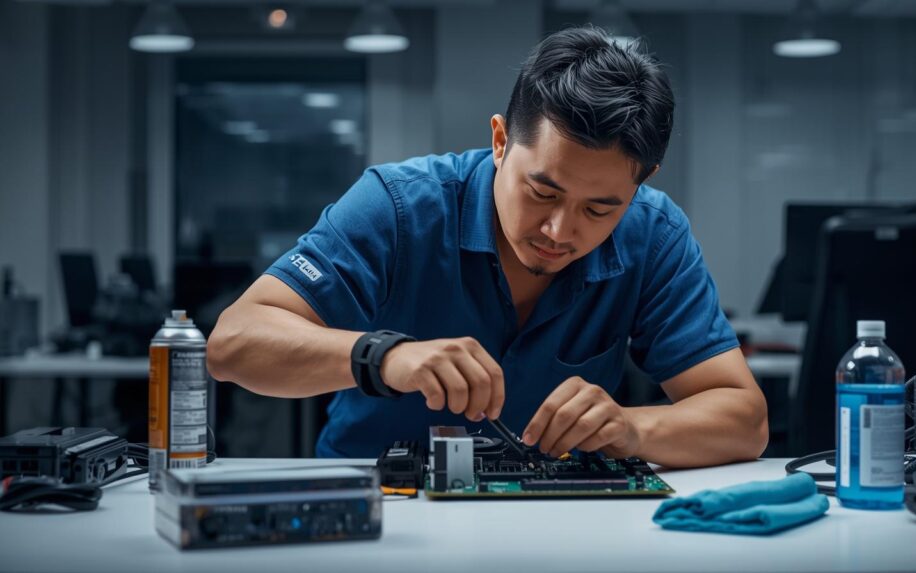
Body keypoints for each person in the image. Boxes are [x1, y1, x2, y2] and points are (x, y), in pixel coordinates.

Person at [207, 27, 768, 466]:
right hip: (381, 509)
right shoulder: (398, 207)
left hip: (561, 518)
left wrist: (634, 427)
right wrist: (387, 357)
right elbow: (233, 343)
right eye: (542, 191)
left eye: (600, 209)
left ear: (641, 182)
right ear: (500, 141)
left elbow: (744, 419)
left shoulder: (654, 234)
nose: (559, 231)